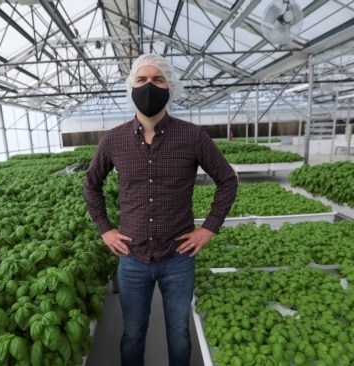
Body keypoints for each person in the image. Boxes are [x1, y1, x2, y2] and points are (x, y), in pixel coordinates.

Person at [83, 53, 238, 366]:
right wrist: (106, 229)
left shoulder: (193, 137)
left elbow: (227, 180)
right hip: (132, 257)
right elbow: (91, 185)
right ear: (131, 87)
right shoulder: (114, 140)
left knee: (179, 332)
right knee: (133, 332)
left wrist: (208, 228)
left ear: (171, 87)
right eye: (141, 80)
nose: (149, 86)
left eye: (157, 79)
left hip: (178, 257)